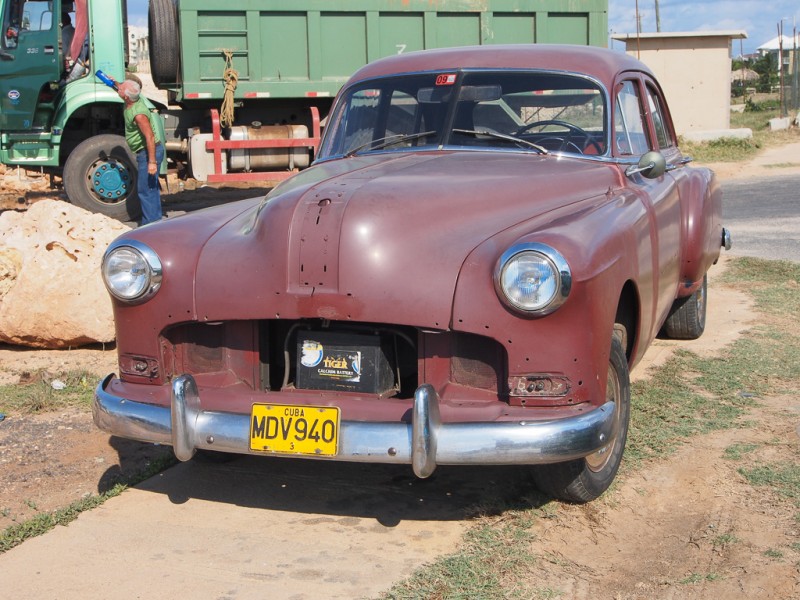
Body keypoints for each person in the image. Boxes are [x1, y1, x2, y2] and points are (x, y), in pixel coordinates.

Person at [117, 79, 165, 225]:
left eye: (120, 87)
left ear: (126, 97)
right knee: (151, 188)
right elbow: (120, 89)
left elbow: (149, 137)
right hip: (146, 152)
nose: (118, 88)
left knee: (146, 191)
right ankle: (155, 222)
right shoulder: (133, 99)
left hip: (149, 152)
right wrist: (111, 81)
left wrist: (152, 162)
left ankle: (149, 225)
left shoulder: (139, 114)